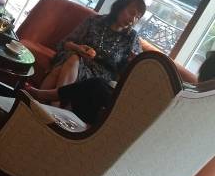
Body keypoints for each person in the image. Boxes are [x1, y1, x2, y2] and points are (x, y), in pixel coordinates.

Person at [26, 51, 215, 126]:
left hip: (126, 120)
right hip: (133, 117)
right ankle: (52, 102)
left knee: (97, 85)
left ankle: (46, 98)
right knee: (98, 86)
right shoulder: (198, 97)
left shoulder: (188, 94)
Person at [40, 0, 146, 91]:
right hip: (77, 59)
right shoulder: (95, 21)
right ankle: (54, 104)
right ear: (119, 7)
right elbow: (65, 43)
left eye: (137, 17)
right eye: (131, 13)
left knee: (60, 69)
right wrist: (78, 48)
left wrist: (131, 63)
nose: (133, 19)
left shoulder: (132, 38)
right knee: (73, 58)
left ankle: (39, 99)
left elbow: (135, 71)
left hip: (101, 77)